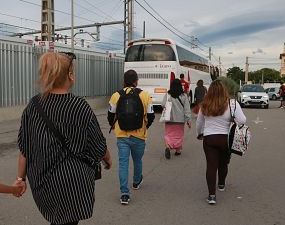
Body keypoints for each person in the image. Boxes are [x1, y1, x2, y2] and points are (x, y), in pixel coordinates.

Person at [16, 52, 112, 225]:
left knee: (58, 220)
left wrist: (20, 179)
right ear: (69, 75)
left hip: (43, 183)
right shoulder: (79, 106)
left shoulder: (33, 106)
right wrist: (107, 158)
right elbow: (97, 145)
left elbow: (25, 148)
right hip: (73, 183)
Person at [107, 69, 155, 205]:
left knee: (123, 164)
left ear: (124, 81)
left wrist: (115, 126)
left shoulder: (116, 95)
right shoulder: (145, 95)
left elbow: (110, 115)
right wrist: (145, 127)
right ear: (136, 81)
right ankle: (136, 181)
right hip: (139, 135)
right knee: (138, 160)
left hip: (122, 135)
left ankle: (124, 194)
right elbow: (151, 115)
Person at [196, 80, 247, 205]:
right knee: (224, 163)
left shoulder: (205, 104)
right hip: (226, 139)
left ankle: (212, 196)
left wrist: (199, 134)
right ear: (224, 90)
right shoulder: (232, 103)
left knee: (211, 166)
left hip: (209, 138)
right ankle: (221, 184)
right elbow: (242, 120)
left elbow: (199, 122)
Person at [162, 78, 191, 159]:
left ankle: (168, 146)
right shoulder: (184, 96)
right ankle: (178, 150)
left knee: (168, 134)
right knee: (179, 135)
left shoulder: (168, 95)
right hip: (180, 120)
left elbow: (163, 104)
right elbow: (187, 109)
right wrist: (188, 120)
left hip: (169, 119)